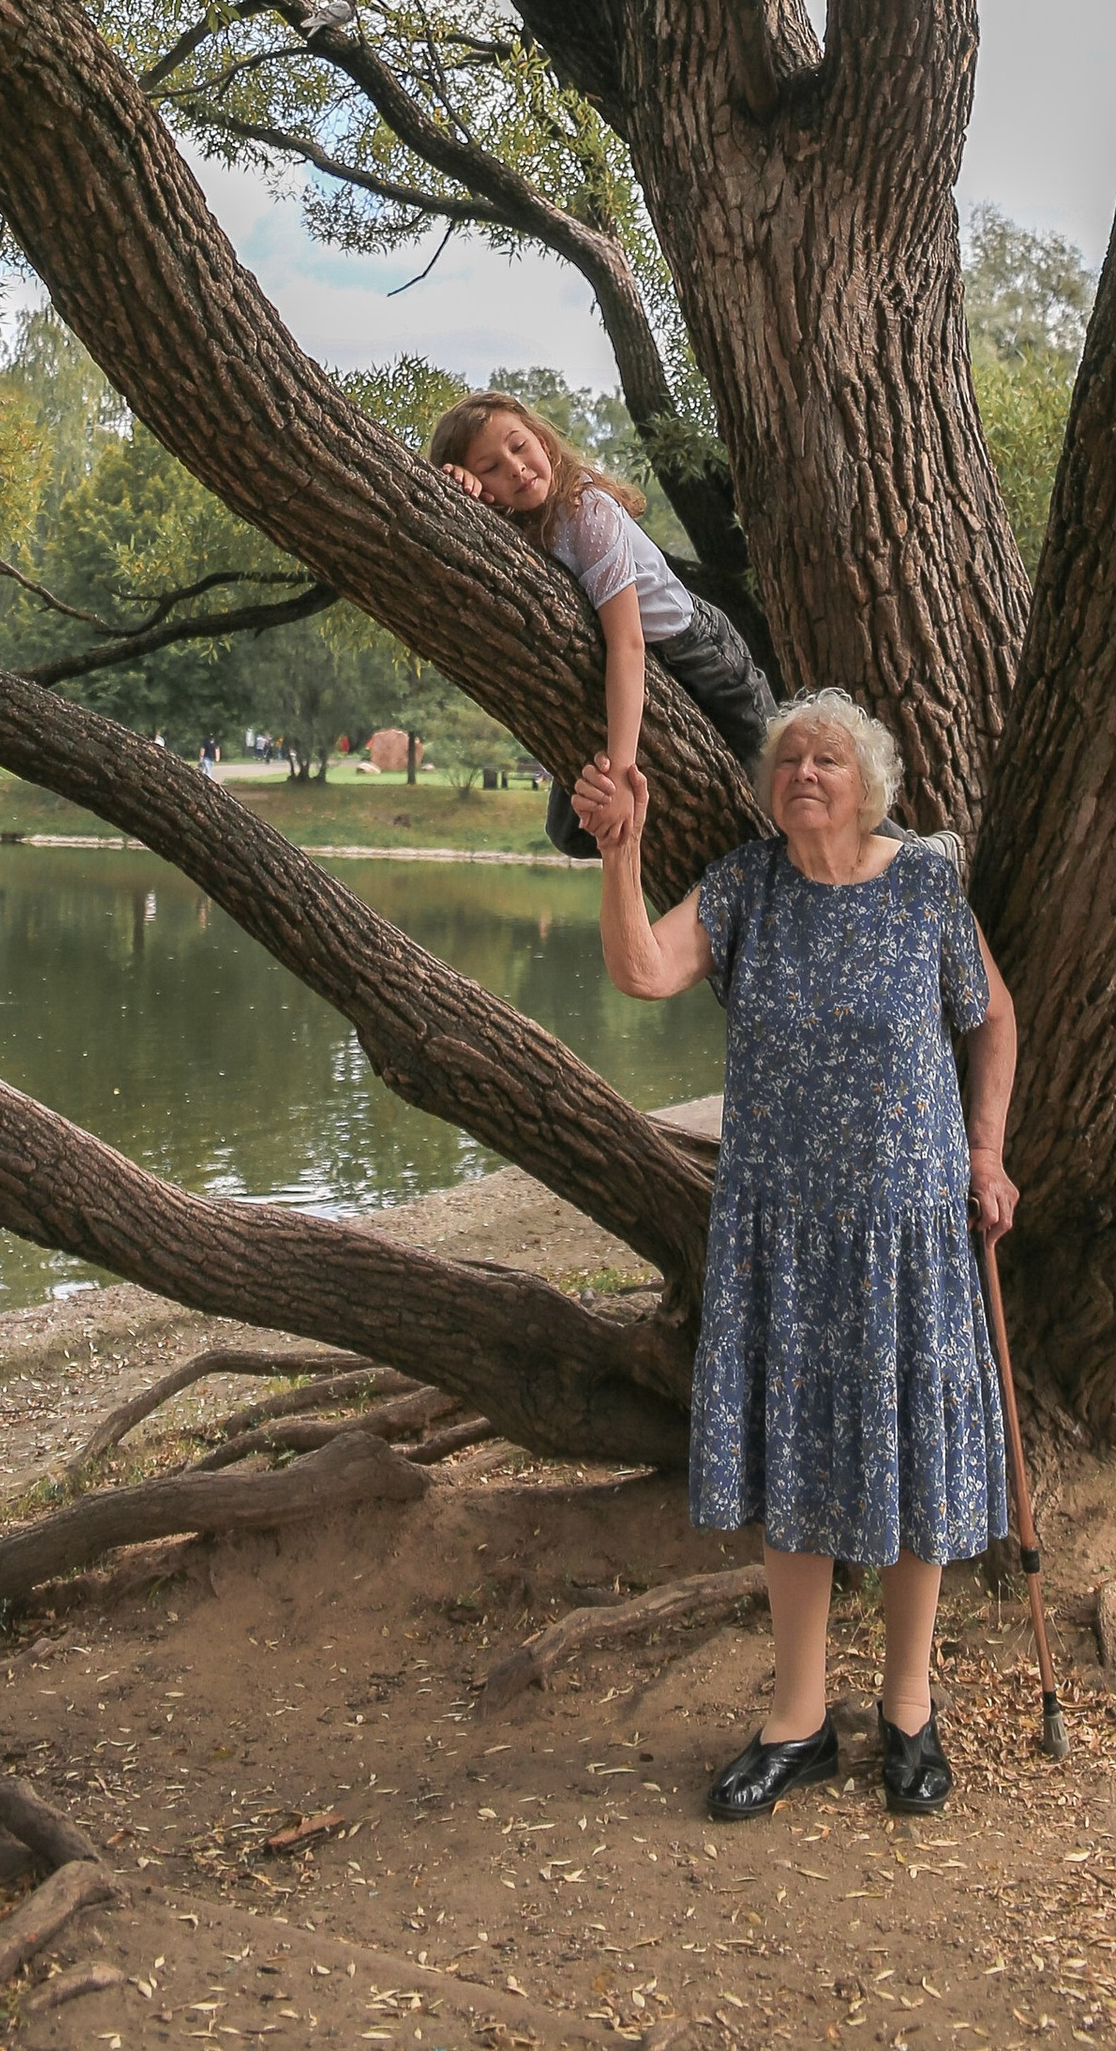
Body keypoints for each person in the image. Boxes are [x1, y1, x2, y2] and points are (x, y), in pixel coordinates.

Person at [572, 692, 1018, 1823]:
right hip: (780, 1230)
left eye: (826, 758)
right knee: (795, 1460)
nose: (803, 773)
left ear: (867, 784)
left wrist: (985, 1153)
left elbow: (991, 1019)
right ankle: (798, 1719)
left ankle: (909, 1711)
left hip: (906, 1228)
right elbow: (642, 971)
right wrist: (616, 853)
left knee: (910, 1455)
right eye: (786, 760)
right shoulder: (745, 887)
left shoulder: (922, 884)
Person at [428, 391, 775, 855]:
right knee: (569, 832)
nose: (513, 467)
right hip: (635, 666)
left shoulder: (587, 511)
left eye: (518, 445)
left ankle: (895, 856)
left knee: (784, 782)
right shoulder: (514, 527)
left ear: (544, 443)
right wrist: (455, 491)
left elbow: (627, 645)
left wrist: (622, 776)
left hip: (700, 656)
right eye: (489, 468)